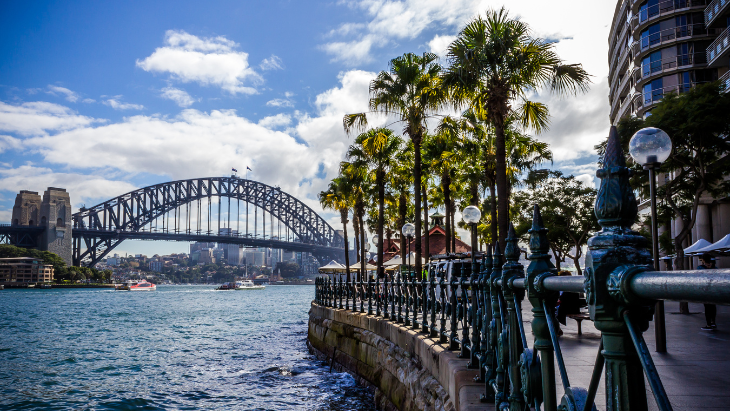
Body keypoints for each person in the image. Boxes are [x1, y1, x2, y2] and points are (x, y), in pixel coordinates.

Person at [697, 254, 717, 331]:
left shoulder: (700, 268)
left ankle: (708, 324)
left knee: (707, 307)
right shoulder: (714, 268)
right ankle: (713, 322)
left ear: (703, 260)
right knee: (713, 307)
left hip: (705, 290)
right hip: (714, 290)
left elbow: (698, 277)